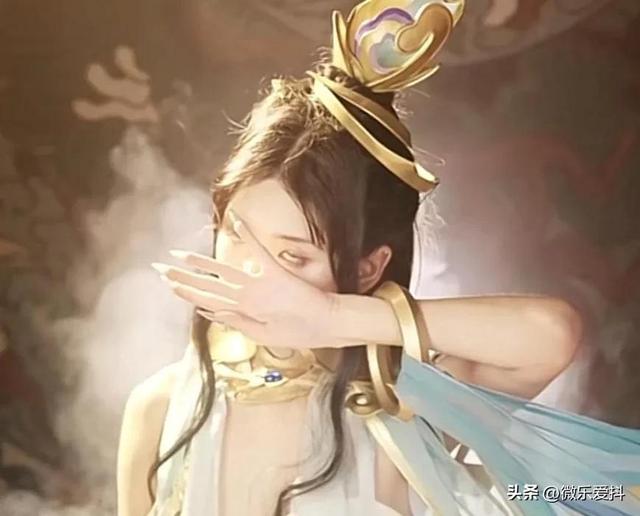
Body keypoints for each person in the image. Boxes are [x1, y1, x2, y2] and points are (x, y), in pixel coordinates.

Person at [117, 1, 640, 515]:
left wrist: (331, 318)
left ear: (367, 267)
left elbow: (551, 335)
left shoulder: (400, 401)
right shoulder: (160, 408)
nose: (252, 272)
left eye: (292, 257)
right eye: (237, 232)